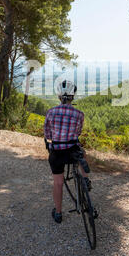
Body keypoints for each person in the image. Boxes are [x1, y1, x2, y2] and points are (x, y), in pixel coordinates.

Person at [44, 80, 91, 224]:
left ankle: (58, 213)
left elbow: (48, 134)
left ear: (59, 96)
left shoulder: (51, 112)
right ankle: (86, 178)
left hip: (57, 152)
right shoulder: (79, 114)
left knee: (58, 183)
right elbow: (78, 132)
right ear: (73, 97)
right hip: (72, 151)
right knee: (82, 152)